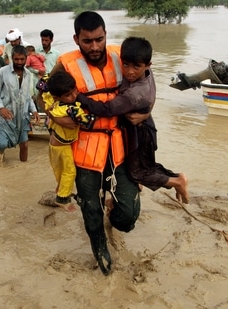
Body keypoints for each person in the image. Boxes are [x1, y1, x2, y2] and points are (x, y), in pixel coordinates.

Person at [41, 11, 146, 276]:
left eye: (99, 39)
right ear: (77, 38)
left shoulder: (119, 55)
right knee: (90, 209)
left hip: (119, 144)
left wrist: (146, 113)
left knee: (129, 214)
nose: (95, 46)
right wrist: (55, 116)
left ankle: (115, 216)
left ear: (106, 35)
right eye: (87, 41)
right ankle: (100, 249)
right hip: (85, 148)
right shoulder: (65, 63)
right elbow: (42, 95)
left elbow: (147, 83)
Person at [75, 37, 189, 203]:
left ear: (148, 65)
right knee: (145, 165)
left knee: (137, 172)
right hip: (144, 125)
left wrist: (77, 95)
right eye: (126, 64)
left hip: (141, 132)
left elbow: (105, 109)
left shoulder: (134, 94)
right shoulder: (146, 74)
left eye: (136, 67)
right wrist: (148, 111)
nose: (129, 72)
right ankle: (176, 178)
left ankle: (176, 181)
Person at [42, 71, 95, 212]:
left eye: (74, 91)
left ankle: (61, 189)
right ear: (57, 96)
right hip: (62, 146)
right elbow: (88, 123)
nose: (73, 96)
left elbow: (41, 85)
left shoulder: (53, 102)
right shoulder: (71, 109)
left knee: (61, 171)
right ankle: (62, 199)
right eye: (68, 95)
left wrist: (48, 78)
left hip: (55, 145)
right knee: (70, 171)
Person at [0, 45, 39, 165]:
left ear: (26, 58)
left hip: (22, 117)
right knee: (2, 144)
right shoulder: (2, 72)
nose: (19, 62)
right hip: (7, 115)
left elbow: (27, 96)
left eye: (22, 59)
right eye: (16, 59)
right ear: (12, 58)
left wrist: (34, 110)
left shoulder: (28, 75)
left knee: (25, 145)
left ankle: (24, 169)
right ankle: (0, 155)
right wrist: (1, 107)